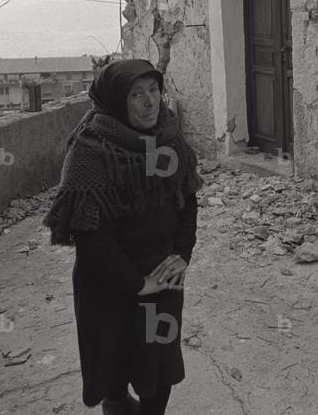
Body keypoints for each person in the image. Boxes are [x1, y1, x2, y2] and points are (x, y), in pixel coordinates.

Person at [42, 59, 202, 415]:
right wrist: (135, 283)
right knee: (112, 362)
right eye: (136, 94)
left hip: (162, 276)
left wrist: (182, 255)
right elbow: (90, 235)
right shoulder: (90, 151)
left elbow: (187, 201)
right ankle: (116, 403)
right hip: (108, 283)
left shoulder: (169, 139)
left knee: (159, 364)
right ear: (116, 99)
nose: (149, 103)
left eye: (154, 91)